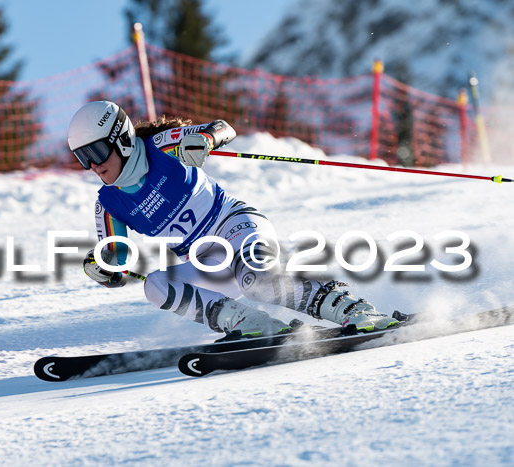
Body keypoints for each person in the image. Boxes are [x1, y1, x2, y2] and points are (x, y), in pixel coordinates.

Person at [67, 100, 398, 338]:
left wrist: (206, 140)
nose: (93, 166)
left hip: (237, 226)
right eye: (84, 158)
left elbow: (223, 129)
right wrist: (104, 266)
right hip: (210, 262)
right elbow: (118, 257)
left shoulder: (159, 148)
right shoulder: (109, 205)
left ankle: (354, 309)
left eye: (96, 153)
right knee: (155, 285)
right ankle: (251, 324)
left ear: (122, 139)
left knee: (258, 283)